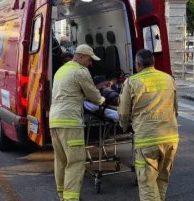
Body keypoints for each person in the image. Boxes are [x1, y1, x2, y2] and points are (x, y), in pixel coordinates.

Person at [49, 44, 110, 201]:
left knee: (61, 161)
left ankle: (62, 195)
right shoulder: (80, 72)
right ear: (81, 57)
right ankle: (71, 199)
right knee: (75, 162)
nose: (90, 64)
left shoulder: (61, 70)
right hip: (70, 123)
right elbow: (94, 95)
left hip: (55, 122)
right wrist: (104, 100)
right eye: (90, 60)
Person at [118, 49, 179, 201]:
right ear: (153, 62)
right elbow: (175, 109)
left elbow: (124, 113)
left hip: (147, 140)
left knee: (147, 183)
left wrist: (124, 126)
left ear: (137, 65)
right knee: (162, 179)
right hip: (170, 137)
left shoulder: (132, 82)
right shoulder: (169, 79)